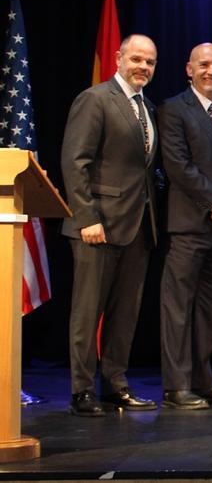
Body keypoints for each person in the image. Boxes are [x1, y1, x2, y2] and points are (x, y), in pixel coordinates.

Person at [61, 34, 162, 417]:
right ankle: (82, 391)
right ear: (119, 58)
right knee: (88, 312)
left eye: (150, 62)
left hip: (138, 227)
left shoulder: (147, 107)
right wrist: (87, 217)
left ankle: (115, 385)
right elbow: (75, 162)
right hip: (97, 226)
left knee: (125, 313)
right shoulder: (95, 99)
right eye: (136, 59)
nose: (143, 67)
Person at [157, 42, 212, 410]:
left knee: (209, 310)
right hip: (189, 225)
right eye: (204, 64)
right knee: (178, 307)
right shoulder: (174, 109)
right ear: (189, 69)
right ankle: (177, 387)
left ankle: (202, 383)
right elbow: (177, 166)